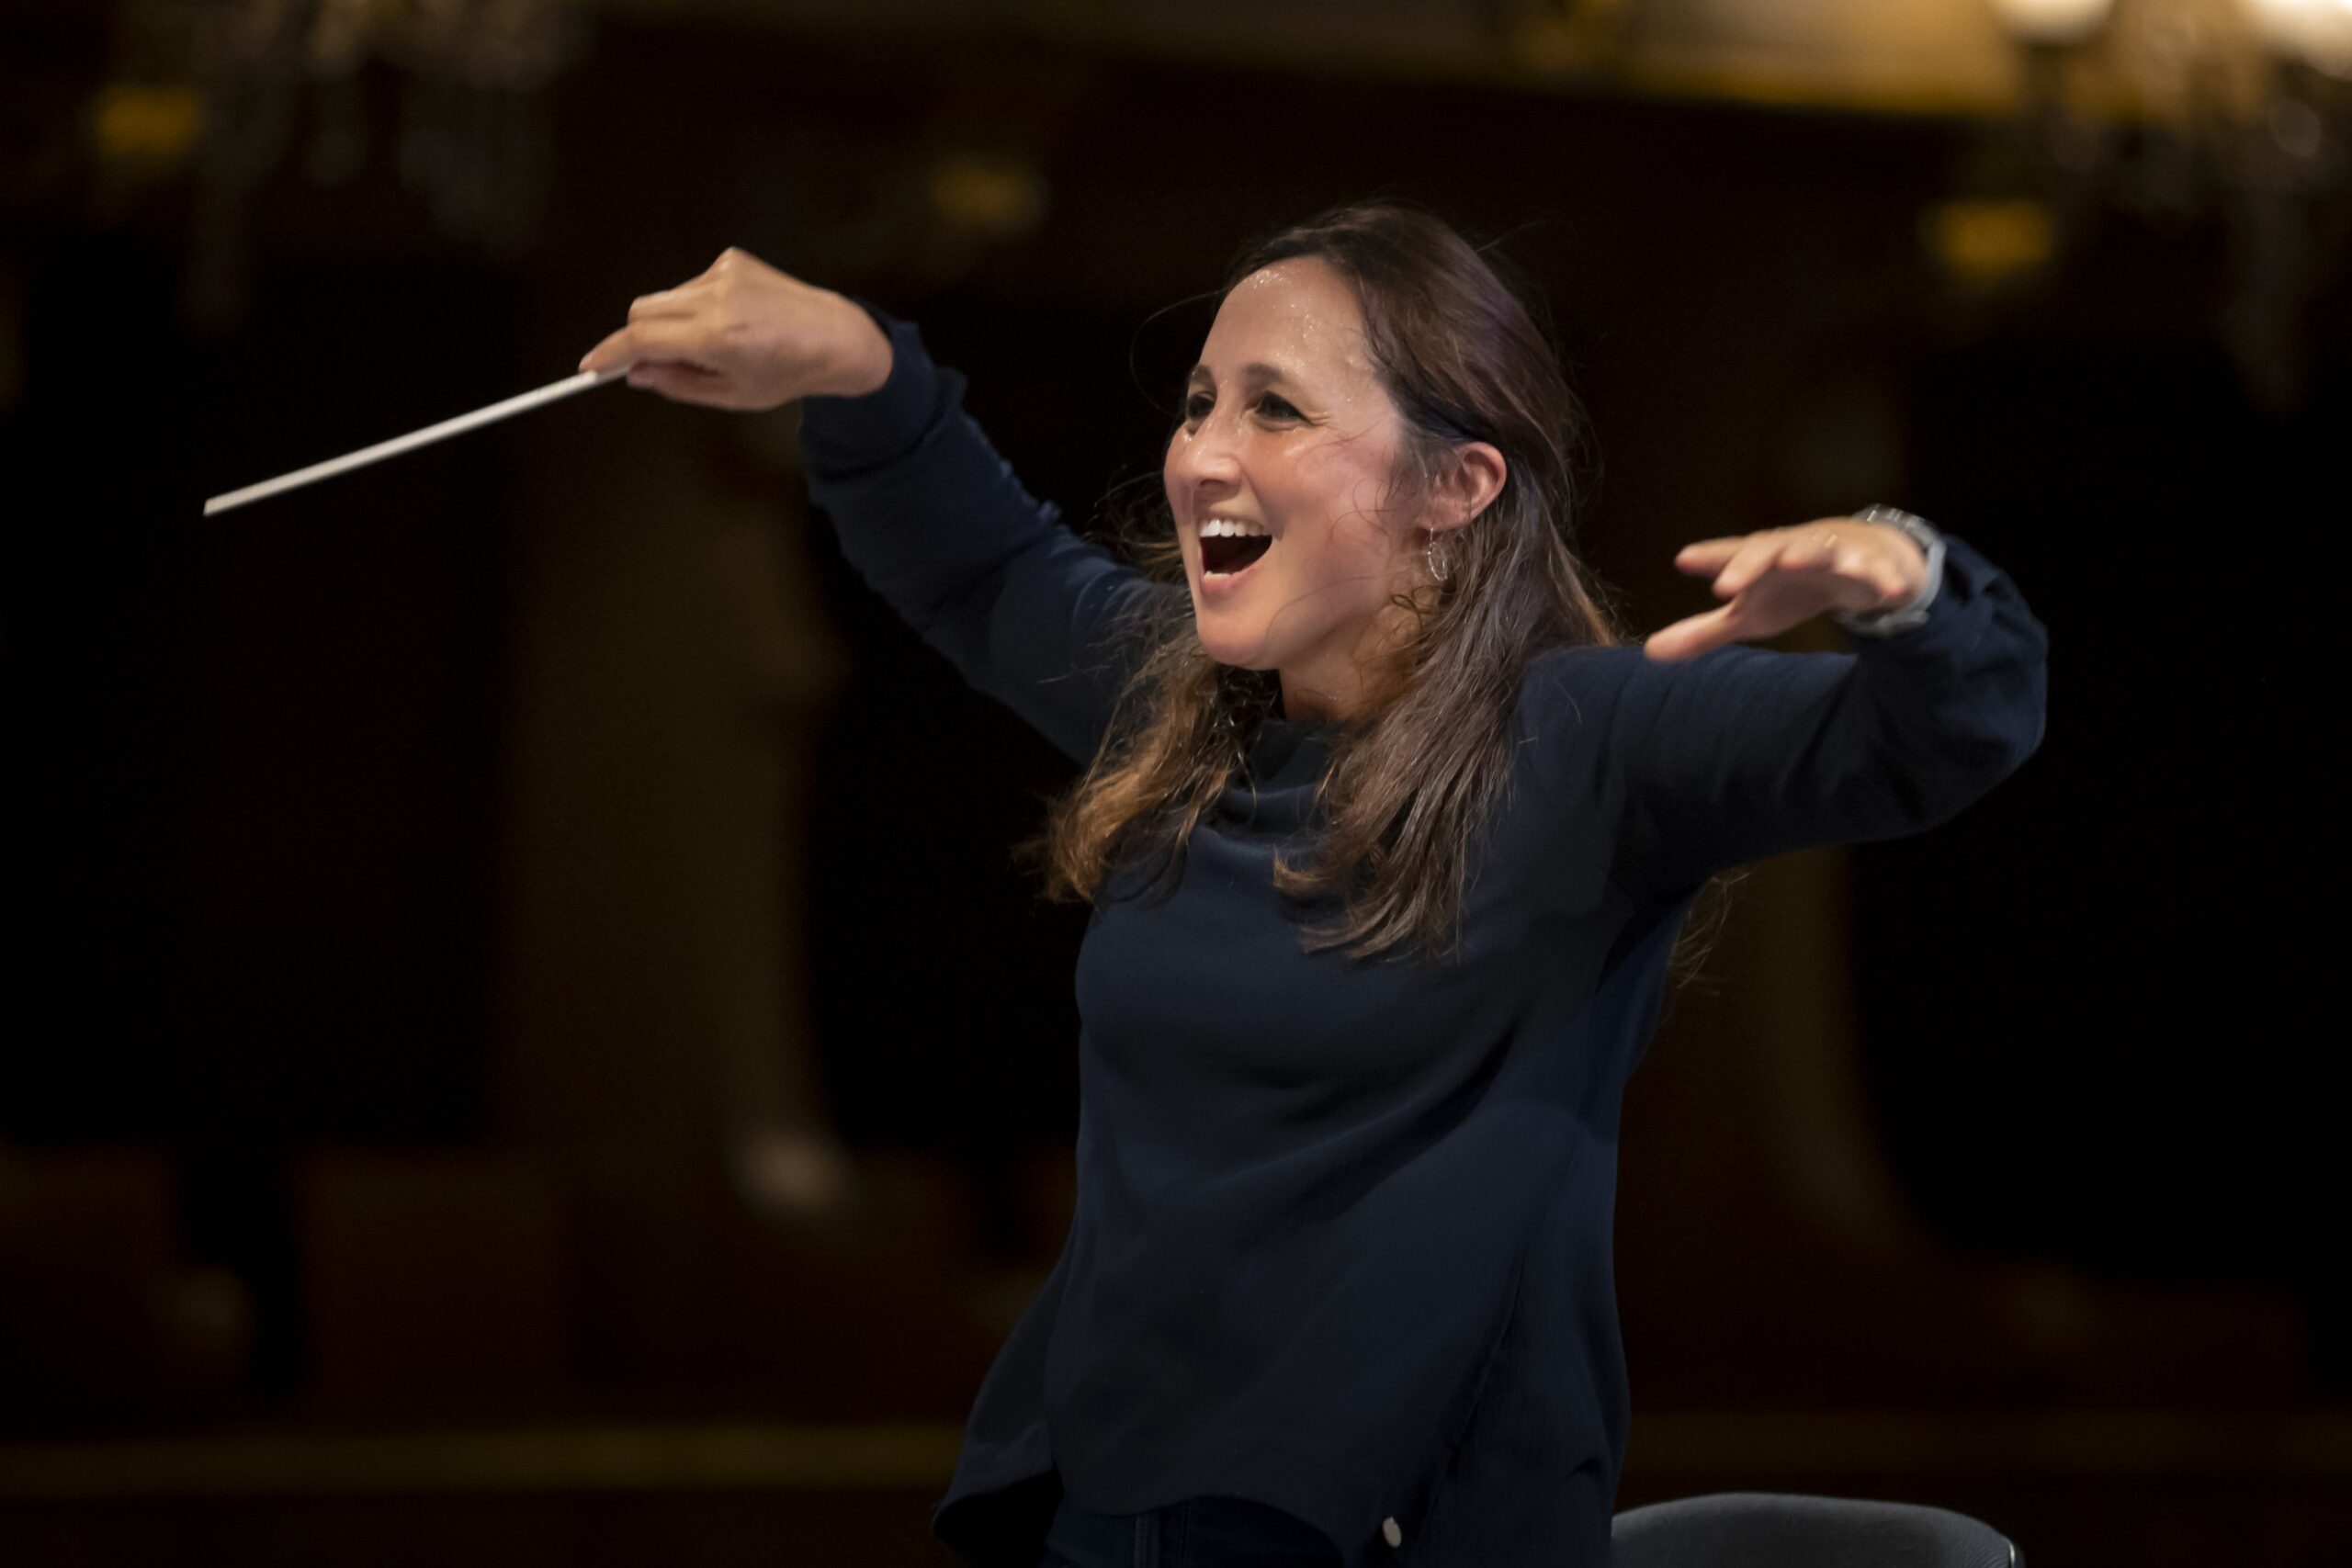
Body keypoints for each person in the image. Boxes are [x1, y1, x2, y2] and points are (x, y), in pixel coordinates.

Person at [578, 200, 2048, 1568]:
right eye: (1201, 401)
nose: (1204, 453)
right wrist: (852, 358)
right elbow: (978, 567)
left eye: (1275, 406)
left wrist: (1907, 581)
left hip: (1385, 1526)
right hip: (1100, 1504)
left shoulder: (1578, 737)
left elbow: (1930, 742)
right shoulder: (1187, 702)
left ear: (1456, 485)